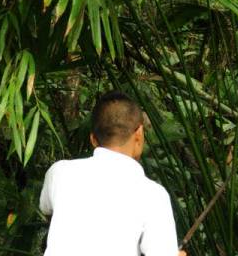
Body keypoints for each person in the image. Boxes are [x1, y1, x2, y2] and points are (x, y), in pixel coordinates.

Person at [39, 91, 187, 256]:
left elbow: (46, 209)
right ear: (139, 134)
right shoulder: (154, 195)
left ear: (93, 139)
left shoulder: (59, 172)